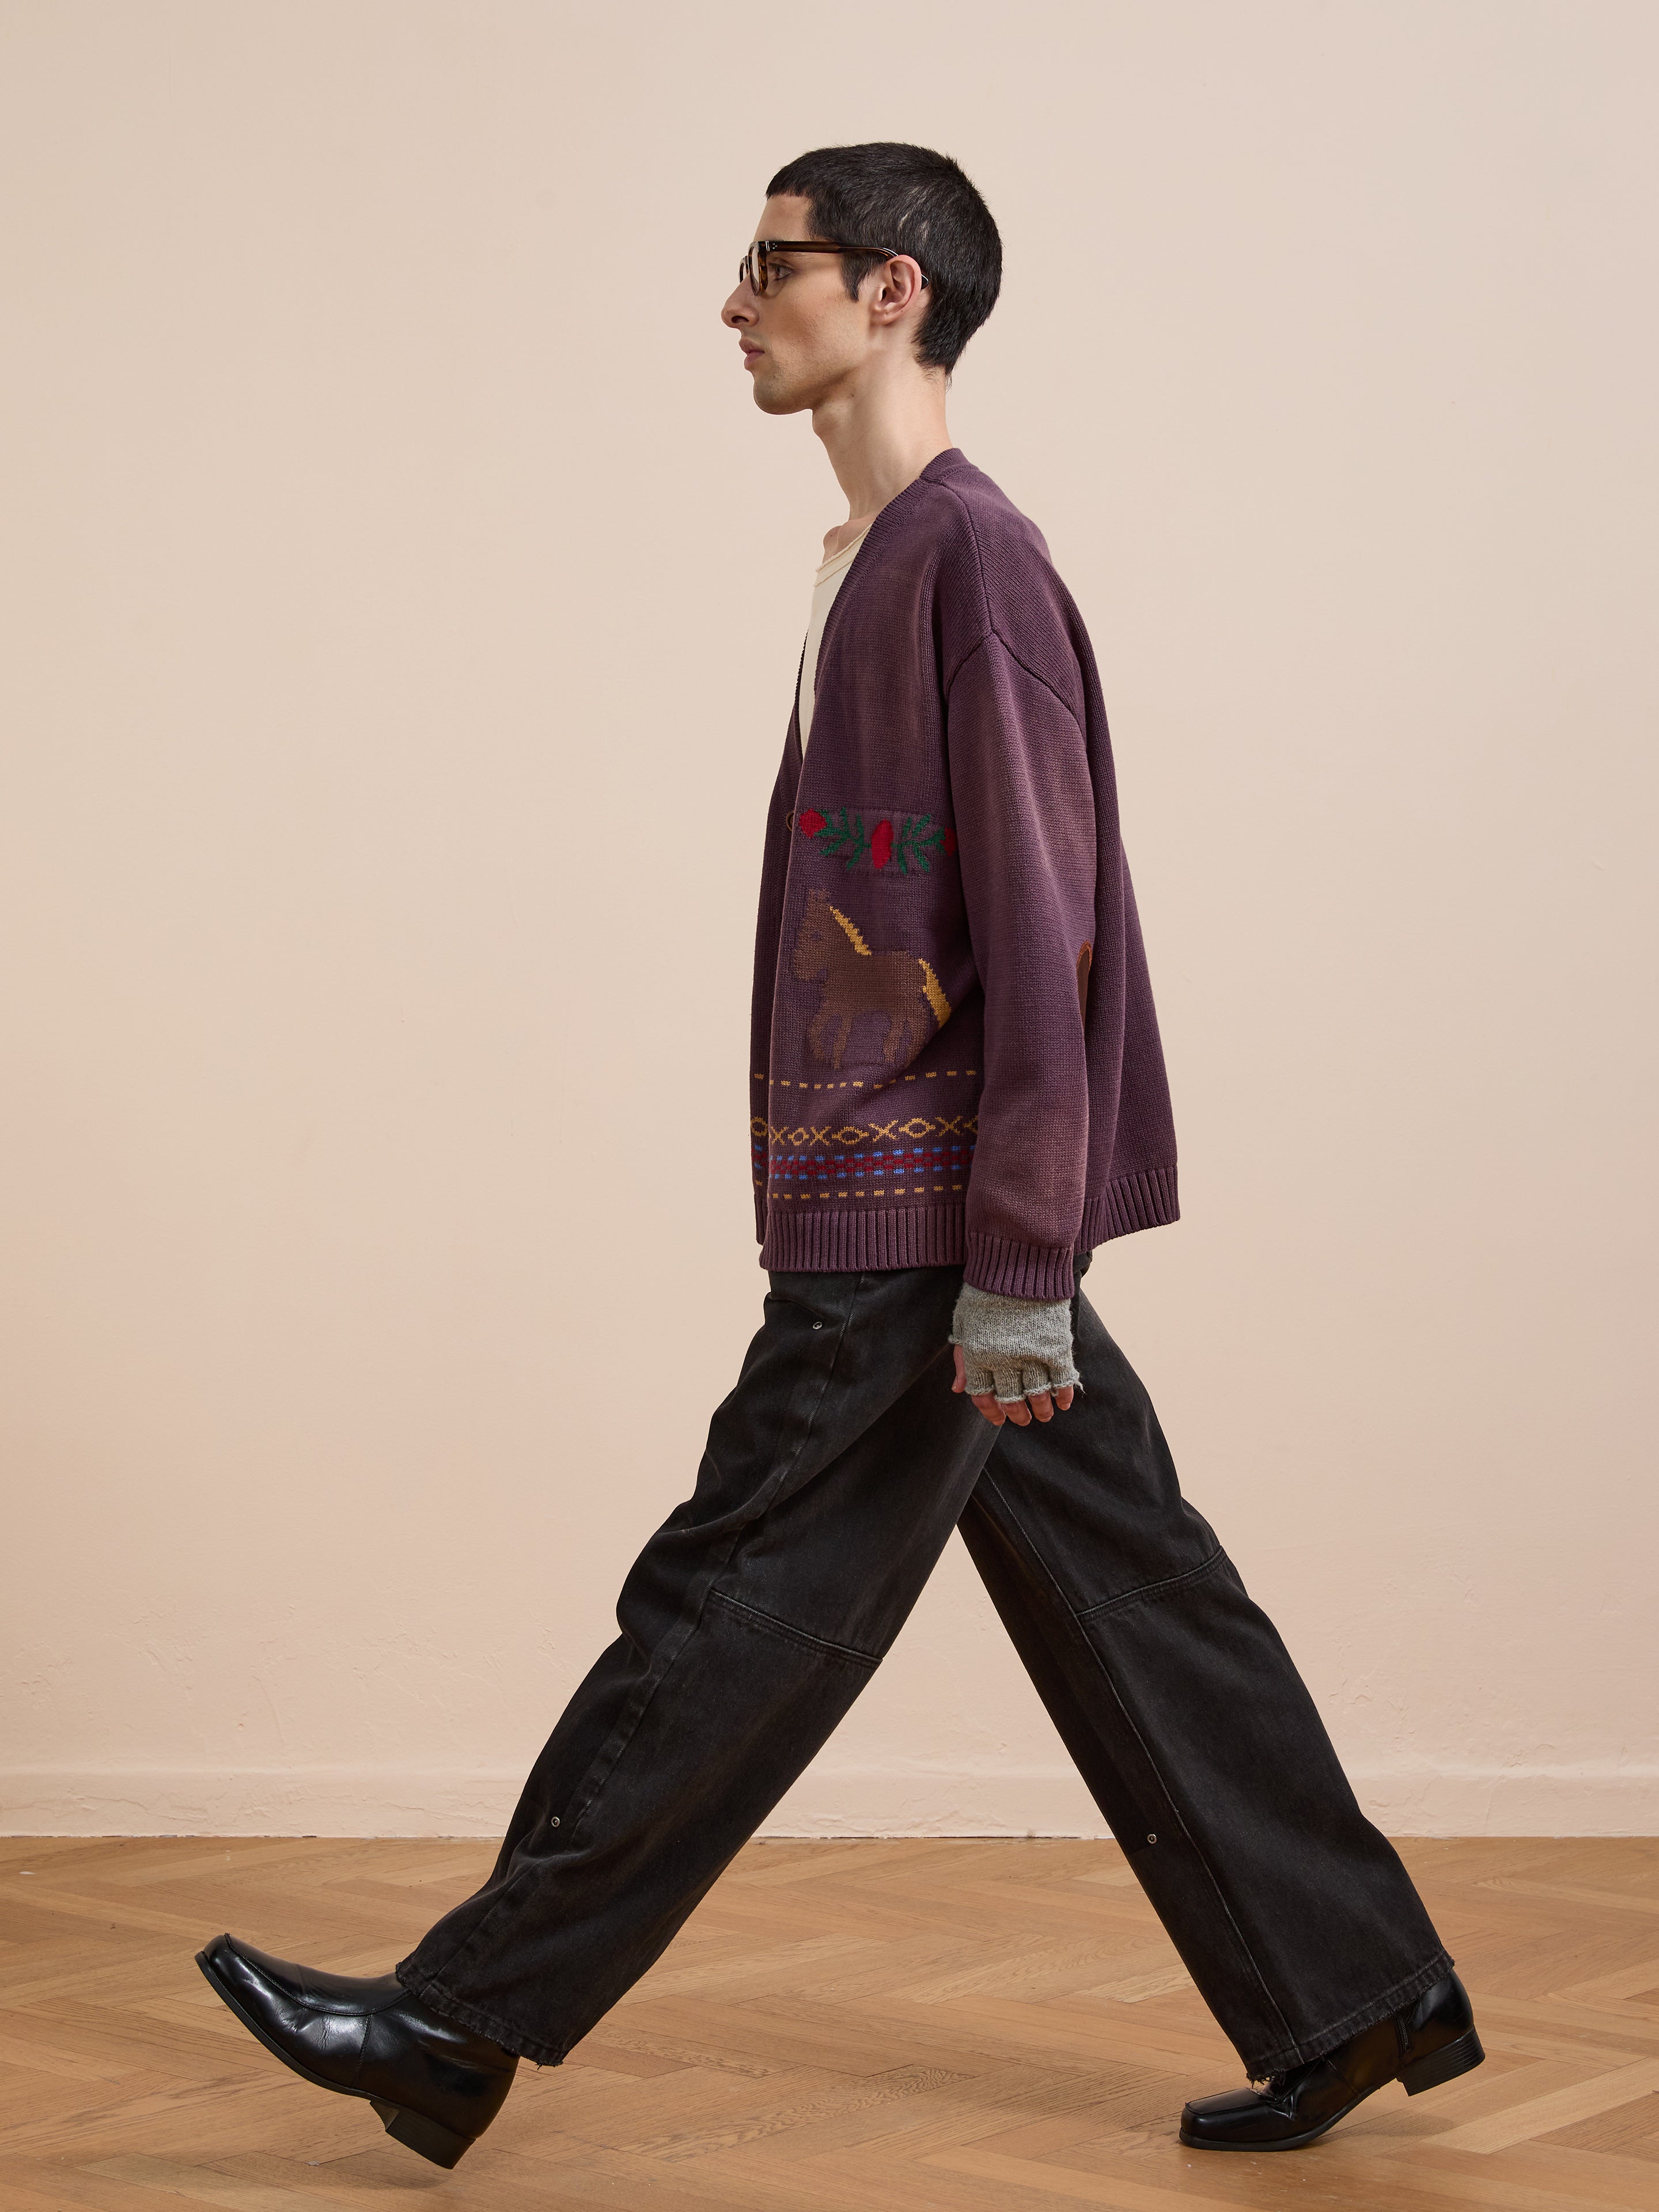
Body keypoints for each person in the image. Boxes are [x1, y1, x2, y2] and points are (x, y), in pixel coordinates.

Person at [195, 141, 1482, 2171]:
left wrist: (1017, 1265)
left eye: (769, 264)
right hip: (927, 1208)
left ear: (891, 292)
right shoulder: (874, 563)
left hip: (923, 1227)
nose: (734, 300)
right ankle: (1355, 1988)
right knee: (1134, 1588)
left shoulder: (972, 560)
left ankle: (457, 2021)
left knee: (725, 1602)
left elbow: (1048, 929)